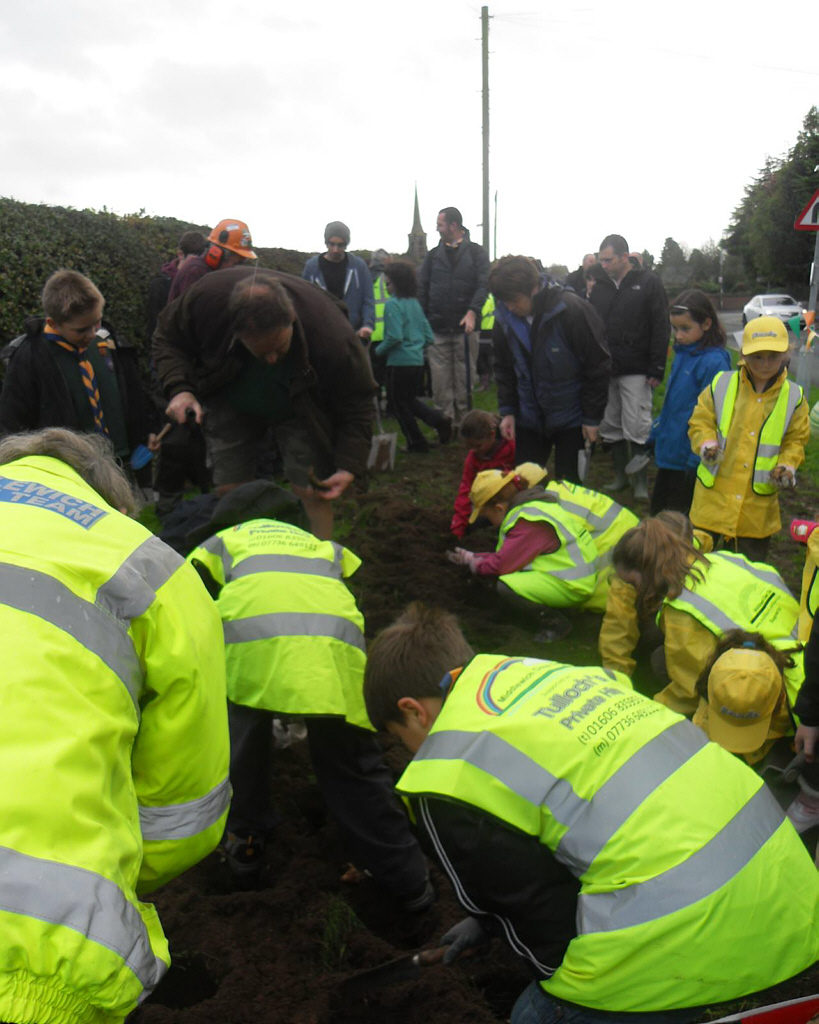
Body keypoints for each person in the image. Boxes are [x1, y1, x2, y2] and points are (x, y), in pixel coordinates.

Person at [362, 603, 819, 1024]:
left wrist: (519, 944)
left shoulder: (445, 776)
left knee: (534, 1016)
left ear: (413, 712)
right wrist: (484, 922)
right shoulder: (548, 675)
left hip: (695, 938)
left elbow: (539, 920)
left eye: (398, 735)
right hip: (794, 904)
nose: (406, 750)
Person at [0, 427, 230, 1024]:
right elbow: (186, 810)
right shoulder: (154, 568)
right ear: (114, 503)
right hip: (37, 949)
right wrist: (117, 870)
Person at [185, 481, 432, 910]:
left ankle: (246, 845)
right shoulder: (322, 547)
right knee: (354, 770)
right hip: (336, 659)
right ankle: (410, 884)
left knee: (239, 751)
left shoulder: (221, 543)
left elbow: (187, 610)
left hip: (250, 654)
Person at [153, 267, 376, 540]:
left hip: (300, 402)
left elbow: (358, 401)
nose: (271, 359)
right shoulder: (206, 302)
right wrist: (180, 390)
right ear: (235, 333)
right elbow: (167, 338)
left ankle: (320, 565)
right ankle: (244, 559)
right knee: (231, 488)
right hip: (227, 391)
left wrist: (349, 464)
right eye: (261, 351)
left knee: (311, 488)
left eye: (279, 348)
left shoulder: (332, 335)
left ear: (291, 319)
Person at [611, 517, 798, 714]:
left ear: (647, 571)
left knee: (660, 661)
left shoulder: (681, 611)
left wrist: (642, 713)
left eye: (632, 583)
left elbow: (687, 691)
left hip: (773, 693)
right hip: (804, 655)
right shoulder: (721, 558)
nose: (633, 590)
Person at [0, 270, 154, 468]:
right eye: (81, 330)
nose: (91, 333)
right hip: (69, 469)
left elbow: (132, 393)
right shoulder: (30, 357)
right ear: (53, 323)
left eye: (96, 322)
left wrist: (147, 430)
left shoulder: (107, 343)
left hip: (120, 462)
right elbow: (13, 423)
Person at [689, 315, 809, 563]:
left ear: (787, 354)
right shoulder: (721, 384)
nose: (765, 364)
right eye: (757, 357)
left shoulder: (794, 398)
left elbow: (796, 440)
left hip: (754, 513)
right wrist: (707, 443)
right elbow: (701, 420)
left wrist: (787, 466)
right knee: (698, 566)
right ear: (743, 353)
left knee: (746, 573)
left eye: (773, 357)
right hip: (711, 503)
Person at [489, 256, 610, 482]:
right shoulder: (504, 319)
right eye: (504, 301)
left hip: (571, 417)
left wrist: (592, 417)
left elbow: (598, 366)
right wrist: (508, 411)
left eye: (514, 300)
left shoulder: (572, 310)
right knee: (523, 486)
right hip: (529, 418)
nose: (510, 307)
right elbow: (504, 368)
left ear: (533, 289)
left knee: (569, 487)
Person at [448, 466, 600, 641]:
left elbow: (502, 565)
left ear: (498, 508)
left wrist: (475, 564)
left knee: (506, 585)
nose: (489, 522)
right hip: (572, 575)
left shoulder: (528, 521)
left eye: (487, 516)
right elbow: (511, 555)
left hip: (574, 585)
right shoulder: (533, 508)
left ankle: (556, 623)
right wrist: (477, 557)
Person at [590, 233, 670, 500]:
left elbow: (660, 324)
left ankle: (640, 484)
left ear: (625, 257)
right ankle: (620, 478)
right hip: (606, 368)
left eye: (608, 260)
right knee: (610, 425)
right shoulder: (599, 286)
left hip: (637, 367)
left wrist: (657, 367)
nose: (604, 265)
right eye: (601, 260)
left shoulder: (648, 283)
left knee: (636, 426)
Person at [600, 511, 712, 679]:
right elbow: (617, 632)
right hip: (661, 624)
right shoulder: (628, 577)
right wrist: (616, 681)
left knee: (660, 660)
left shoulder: (693, 561)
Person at [650, 290, 731, 516]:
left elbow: (715, 414)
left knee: (676, 523)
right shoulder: (683, 353)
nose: (679, 336)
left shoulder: (715, 362)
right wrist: (656, 432)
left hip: (688, 458)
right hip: (670, 451)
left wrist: (697, 458)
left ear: (706, 324)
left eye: (685, 329)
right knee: (658, 514)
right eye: (675, 329)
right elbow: (674, 405)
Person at [419, 206, 490, 429]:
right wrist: (424, 321)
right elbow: (422, 288)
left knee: (463, 378)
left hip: (466, 329)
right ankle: (445, 425)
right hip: (437, 328)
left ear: (453, 225)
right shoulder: (432, 256)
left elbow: (483, 284)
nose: (437, 229)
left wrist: (472, 311)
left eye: (440, 224)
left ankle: (465, 425)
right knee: (440, 382)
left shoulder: (477, 253)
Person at [372, 260, 451, 454]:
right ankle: (438, 419)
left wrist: (377, 351)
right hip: (416, 362)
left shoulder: (392, 305)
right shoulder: (414, 304)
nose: (386, 287)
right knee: (409, 400)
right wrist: (415, 348)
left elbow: (395, 337)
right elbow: (428, 336)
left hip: (398, 363)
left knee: (397, 404)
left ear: (397, 283)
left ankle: (416, 442)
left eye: (388, 283)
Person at [302, 221, 375, 340]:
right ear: (326, 243)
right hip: (322, 334)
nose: (335, 249)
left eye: (340, 245)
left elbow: (368, 299)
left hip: (353, 334)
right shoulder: (311, 268)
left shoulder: (358, 266)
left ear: (346, 245)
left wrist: (368, 324)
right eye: (332, 244)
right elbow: (303, 301)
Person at [450, 409, 516, 540]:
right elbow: (466, 489)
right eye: (469, 447)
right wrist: (459, 524)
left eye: (477, 446)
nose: (473, 451)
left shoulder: (513, 445)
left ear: (492, 435)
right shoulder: (473, 458)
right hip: (494, 505)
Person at [167, 218, 257, 302]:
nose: (235, 268)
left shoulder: (214, 274)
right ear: (217, 254)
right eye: (235, 263)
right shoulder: (195, 271)